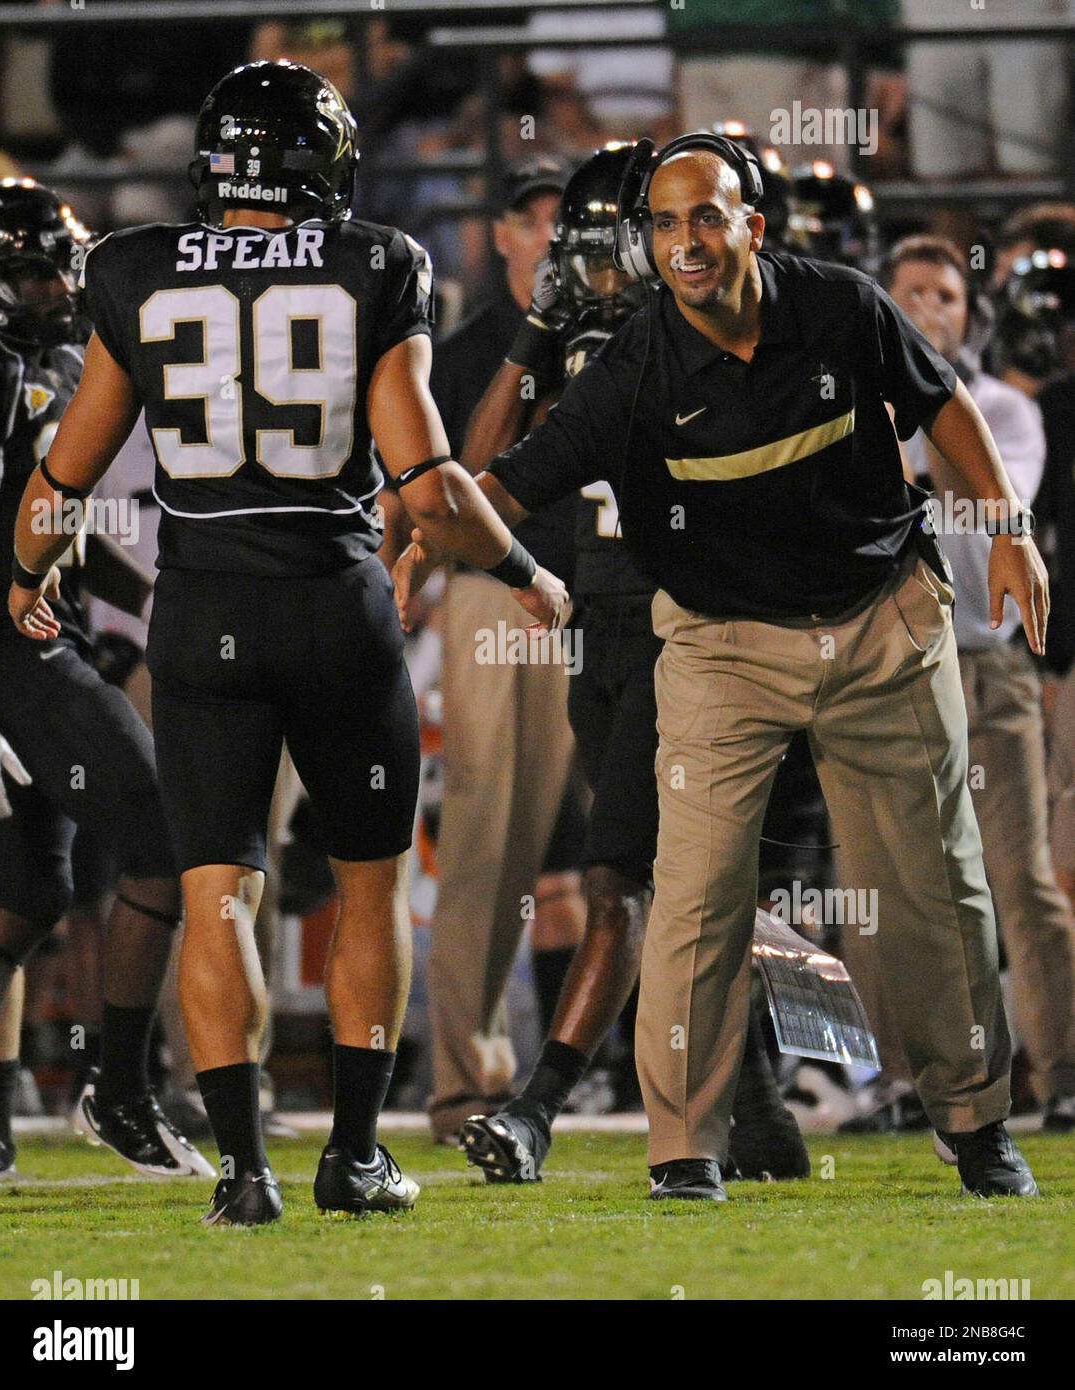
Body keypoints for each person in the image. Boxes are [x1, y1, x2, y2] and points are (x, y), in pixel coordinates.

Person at [412, 132, 1047, 1202]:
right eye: (664, 223)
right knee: (695, 896)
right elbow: (504, 486)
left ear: (755, 224)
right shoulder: (633, 365)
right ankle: (685, 1145)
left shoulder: (840, 306)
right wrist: (426, 529)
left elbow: (941, 403)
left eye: (707, 216)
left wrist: (1009, 530)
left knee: (934, 888)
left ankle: (976, 1120)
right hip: (719, 644)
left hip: (879, 619)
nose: (685, 243)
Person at [7, 62, 566, 1227]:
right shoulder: (377, 262)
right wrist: (524, 570)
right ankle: (354, 1157)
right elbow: (428, 476)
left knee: (217, 893)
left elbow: (65, 473)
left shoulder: (135, 265)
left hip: (201, 609)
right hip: (332, 603)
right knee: (369, 889)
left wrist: (24, 576)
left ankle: (244, 1171)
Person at [401, 143, 807, 1184]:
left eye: (618, 245)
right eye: (588, 251)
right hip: (603, 629)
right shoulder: (581, 340)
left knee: (624, 875)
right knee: (687, 879)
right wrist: (542, 325)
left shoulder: (708, 329)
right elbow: (491, 471)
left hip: (698, 629)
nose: (611, 270)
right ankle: (758, 1109)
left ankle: (541, 1107)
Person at [0, 179, 210, 1181]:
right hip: (8, 651)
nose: (55, 288)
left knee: (23, 894)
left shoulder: (51, 362)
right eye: (32, 272)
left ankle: (14, 1117)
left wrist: (154, 595)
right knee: (161, 836)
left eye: (57, 267)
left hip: (39, 633)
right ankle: (120, 1089)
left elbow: (51, 525)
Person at [881, 235, 1075, 1133]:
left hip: (988, 659)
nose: (929, 308)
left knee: (1020, 877)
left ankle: (1064, 1070)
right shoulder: (852, 403)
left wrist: (928, 412)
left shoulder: (1004, 409)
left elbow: (994, 508)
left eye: (947, 296)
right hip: (890, 661)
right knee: (898, 876)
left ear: (972, 315)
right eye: (910, 292)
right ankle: (902, 1082)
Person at [419, 158, 589, 1146]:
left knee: (572, 846)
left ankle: (615, 1066)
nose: (554, 238)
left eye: (566, 221)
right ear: (502, 237)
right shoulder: (473, 347)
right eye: (535, 221)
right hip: (499, 600)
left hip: (602, 600)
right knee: (488, 838)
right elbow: (467, 482)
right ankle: (466, 1078)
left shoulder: (615, 331)